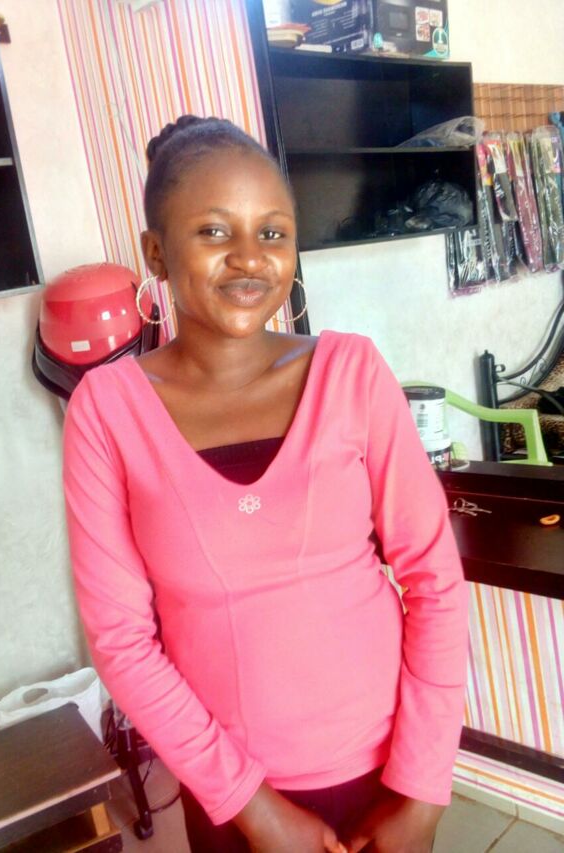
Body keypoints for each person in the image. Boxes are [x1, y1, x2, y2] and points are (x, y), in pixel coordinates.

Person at [62, 115, 469, 853]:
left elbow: (435, 579)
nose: (250, 257)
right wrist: (255, 809)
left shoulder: (351, 373)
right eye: (214, 231)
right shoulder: (106, 411)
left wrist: (422, 790)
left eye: (273, 232)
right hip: (229, 792)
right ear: (156, 252)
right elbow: (121, 640)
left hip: (387, 771)